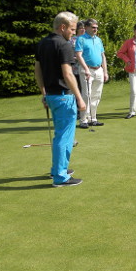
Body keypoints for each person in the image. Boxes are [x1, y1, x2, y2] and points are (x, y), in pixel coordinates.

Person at [34, 12, 86, 187]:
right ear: (62, 27)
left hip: (52, 97)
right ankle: (60, 177)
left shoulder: (43, 43)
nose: (73, 33)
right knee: (64, 138)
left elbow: (37, 70)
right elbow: (68, 74)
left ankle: (58, 169)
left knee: (60, 136)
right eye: (72, 29)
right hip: (64, 98)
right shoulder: (64, 45)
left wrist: (44, 93)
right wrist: (80, 98)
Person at [75, 18, 108, 128]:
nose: (95, 29)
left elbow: (103, 56)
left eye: (96, 28)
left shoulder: (98, 39)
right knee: (86, 95)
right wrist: (86, 69)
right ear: (87, 27)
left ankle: (93, 118)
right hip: (86, 69)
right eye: (93, 27)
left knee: (96, 95)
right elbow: (79, 55)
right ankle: (83, 119)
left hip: (98, 69)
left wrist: (105, 72)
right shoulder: (81, 39)